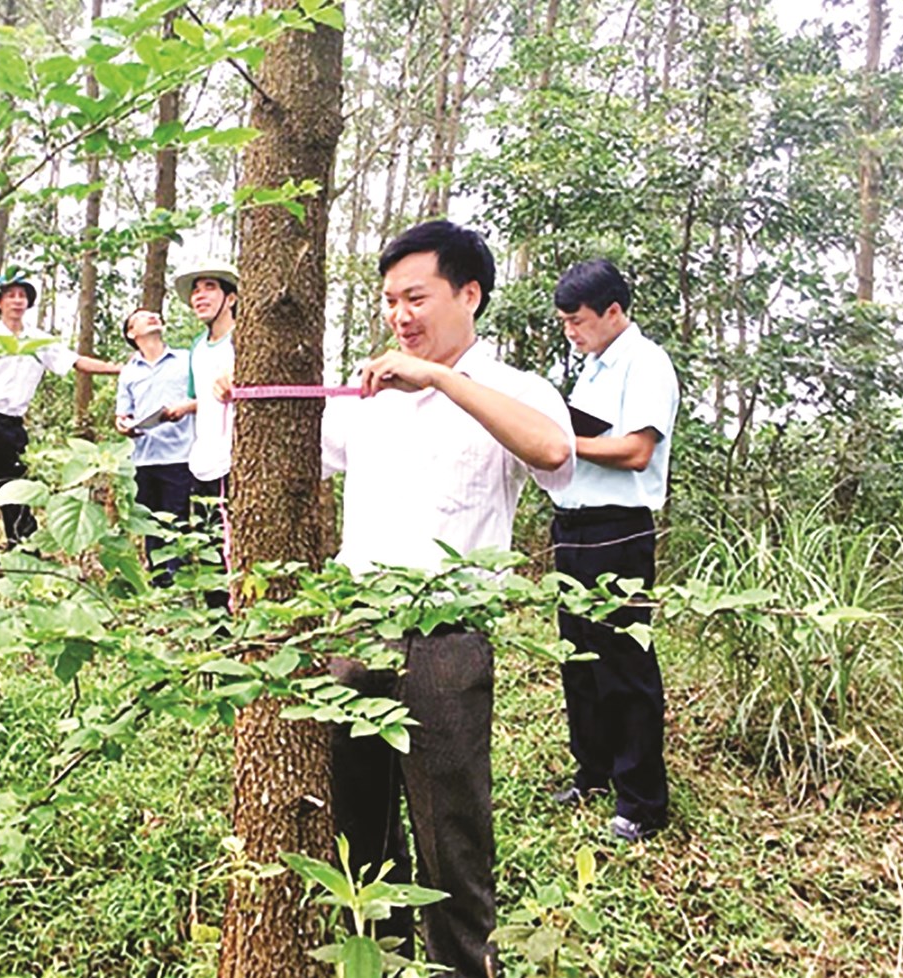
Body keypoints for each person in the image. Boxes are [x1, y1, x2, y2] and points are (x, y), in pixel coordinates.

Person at [320, 221, 574, 978]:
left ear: (470, 295)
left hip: (447, 644)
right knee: (358, 832)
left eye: (417, 297)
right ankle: (380, 963)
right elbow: (295, 446)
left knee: (451, 841)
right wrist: (229, 397)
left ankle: (465, 967)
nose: (400, 315)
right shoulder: (366, 395)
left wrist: (439, 380)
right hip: (356, 629)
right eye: (391, 300)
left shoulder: (516, 389)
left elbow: (554, 451)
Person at [547, 258, 679, 844]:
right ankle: (593, 770)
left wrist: (560, 443)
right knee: (579, 656)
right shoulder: (595, 367)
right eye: (565, 323)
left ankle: (643, 799)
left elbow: (635, 451)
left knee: (624, 662)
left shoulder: (645, 363)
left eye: (578, 320)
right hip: (573, 524)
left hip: (618, 528)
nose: (572, 332)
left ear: (614, 312)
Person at [0, 271, 123, 570]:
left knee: (17, 486)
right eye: (11, 295)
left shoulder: (39, 340)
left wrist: (119, 369)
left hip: (14, 424)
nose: (17, 301)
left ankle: (24, 549)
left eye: (22, 296)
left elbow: (76, 362)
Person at [172, 258, 239, 608]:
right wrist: (181, 408)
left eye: (209, 287)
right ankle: (215, 628)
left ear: (230, 298)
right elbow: (202, 398)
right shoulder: (198, 346)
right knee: (209, 545)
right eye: (195, 291)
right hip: (202, 459)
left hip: (234, 462)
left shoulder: (244, 341)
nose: (200, 296)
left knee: (232, 547)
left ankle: (235, 626)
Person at [114, 308, 197, 585]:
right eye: (141, 316)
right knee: (150, 523)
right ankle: (160, 580)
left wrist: (186, 408)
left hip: (180, 455)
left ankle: (179, 581)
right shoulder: (128, 372)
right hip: (144, 458)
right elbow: (122, 415)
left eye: (155, 314)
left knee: (176, 519)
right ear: (131, 333)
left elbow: (207, 397)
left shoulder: (187, 360)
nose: (152, 316)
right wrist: (125, 426)